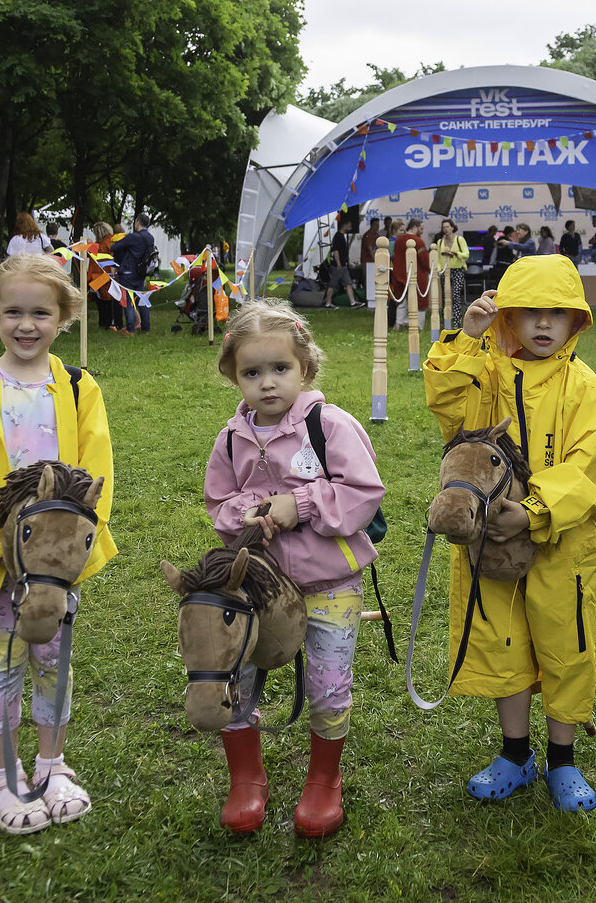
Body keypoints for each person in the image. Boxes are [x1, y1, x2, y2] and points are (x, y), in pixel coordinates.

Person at [0, 254, 117, 835]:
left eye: (41, 313)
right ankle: (4, 776)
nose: (26, 324)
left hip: (56, 567)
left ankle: (52, 764)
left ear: (64, 318)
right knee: (4, 663)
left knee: (55, 661)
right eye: (14, 312)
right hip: (0, 564)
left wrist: (71, 547)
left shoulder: (80, 387)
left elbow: (96, 469)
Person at [423, 255, 596, 813]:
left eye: (557, 312)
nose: (543, 324)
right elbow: (449, 408)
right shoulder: (486, 373)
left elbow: (589, 467)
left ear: (576, 320)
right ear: (507, 315)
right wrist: (467, 338)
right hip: (492, 544)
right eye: (529, 312)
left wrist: (534, 512)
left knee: (563, 644)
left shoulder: (585, 387)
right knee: (501, 639)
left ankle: (562, 759)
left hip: (562, 542)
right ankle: (515, 753)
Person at [204, 298, 385, 837]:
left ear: (305, 367)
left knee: (330, 686)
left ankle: (323, 782)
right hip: (256, 589)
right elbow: (218, 504)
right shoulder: (231, 438)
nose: (267, 383)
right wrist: (246, 513)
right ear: (233, 377)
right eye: (251, 372)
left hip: (330, 584)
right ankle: (246, 779)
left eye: (280, 369)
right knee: (235, 676)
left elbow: (364, 494)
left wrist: (299, 504)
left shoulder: (329, 426)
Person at [111, 213, 156, 333]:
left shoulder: (133, 237)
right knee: (141, 300)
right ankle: (146, 328)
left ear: (137, 222)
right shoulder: (150, 238)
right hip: (141, 273)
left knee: (129, 301)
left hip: (128, 272)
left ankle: (130, 329)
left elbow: (114, 247)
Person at [390, 219, 430, 330]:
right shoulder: (418, 241)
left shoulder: (398, 241)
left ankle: (399, 324)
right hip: (416, 276)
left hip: (399, 275)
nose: (422, 231)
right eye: (421, 229)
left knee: (401, 301)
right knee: (420, 301)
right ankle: (417, 326)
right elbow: (424, 260)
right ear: (415, 228)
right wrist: (432, 269)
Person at [436, 218, 469, 329]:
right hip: (445, 271)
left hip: (457, 270)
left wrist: (457, 254)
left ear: (452, 227)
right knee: (445, 297)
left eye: (448, 227)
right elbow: (439, 258)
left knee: (455, 295)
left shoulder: (459, 240)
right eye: (444, 227)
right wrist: (440, 270)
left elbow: (466, 254)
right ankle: (444, 322)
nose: (446, 229)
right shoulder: (440, 242)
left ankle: (456, 323)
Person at [86, 222, 119, 331]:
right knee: (99, 299)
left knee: (106, 300)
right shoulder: (102, 242)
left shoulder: (108, 241)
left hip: (104, 275)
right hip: (98, 275)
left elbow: (100, 249)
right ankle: (103, 323)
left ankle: (108, 323)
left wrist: (89, 244)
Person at [325, 218, 365, 308]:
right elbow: (335, 251)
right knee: (332, 284)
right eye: (349, 224)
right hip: (337, 266)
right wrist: (338, 263)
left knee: (348, 283)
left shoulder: (342, 236)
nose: (351, 226)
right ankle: (328, 303)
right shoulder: (338, 236)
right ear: (345, 225)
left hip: (343, 265)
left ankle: (353, 302)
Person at [359, 217, 381, 309]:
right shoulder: (367, 235)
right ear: (371, 225)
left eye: (378, 225)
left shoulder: (377, 235)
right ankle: (367, 300)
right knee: (368, 281)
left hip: (374, 262)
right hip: (367, 262)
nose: (377, 227)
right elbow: (370, 249)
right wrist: (376, 260)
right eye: (376, 225)